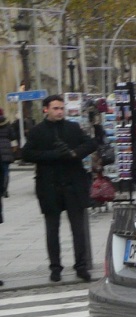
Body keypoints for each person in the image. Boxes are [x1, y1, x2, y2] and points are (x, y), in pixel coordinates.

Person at [21, 94, 97, 282]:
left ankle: (81, 265)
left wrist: (74, 153)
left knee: (78, 229)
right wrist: (53, 155)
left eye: (61, 108)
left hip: (73, 184)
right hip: (49, 186)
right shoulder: (38, 131)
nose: (59, 111)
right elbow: (27, 154)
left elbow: (90, 143)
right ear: (46, 109)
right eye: (55, 108)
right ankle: (55, 267)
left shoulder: (72, 127)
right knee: (52, 229)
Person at [0, 110, 14, 197]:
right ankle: (5, 190)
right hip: (6, 150)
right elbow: (13, 136)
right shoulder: (8, 125)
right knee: (5, 171)